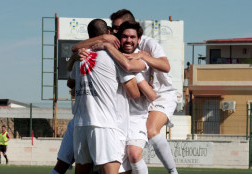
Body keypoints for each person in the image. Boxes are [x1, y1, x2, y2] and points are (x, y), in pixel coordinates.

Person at [74, 9, 178, 174]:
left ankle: (173, 171)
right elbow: (73, 63)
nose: (115, 32)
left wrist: (143, 57)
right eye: (115, 29)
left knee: (139, 147)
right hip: (116, 115)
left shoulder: (143, 48)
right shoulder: (112, 52)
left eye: (118, 28)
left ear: (138, 38)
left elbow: (160, 72)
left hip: (159, 98)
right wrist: (79, 54)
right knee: (114, 164)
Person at [91, 21, 155, 174]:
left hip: (134, 120)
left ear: (139, 39)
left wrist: (140, 87)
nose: (128, 40)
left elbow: (151, 95)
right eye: (125, 36)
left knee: (133, 155)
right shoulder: (107, 57)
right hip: (110, 121)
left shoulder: (137, 60)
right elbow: (75, 50)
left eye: (132, 37)